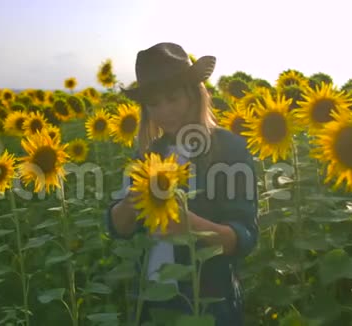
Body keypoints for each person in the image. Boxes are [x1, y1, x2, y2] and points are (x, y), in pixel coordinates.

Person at [105, 42, 259, 325]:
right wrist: (131, 201)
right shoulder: (146, 156)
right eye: (154, 103)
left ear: (194, 95)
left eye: (173, 98)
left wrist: (191, 226)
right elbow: (118, 228)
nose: (164, 111)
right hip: (151, 301)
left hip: (207, 301)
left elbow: (245, 237)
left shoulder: (229, 150)